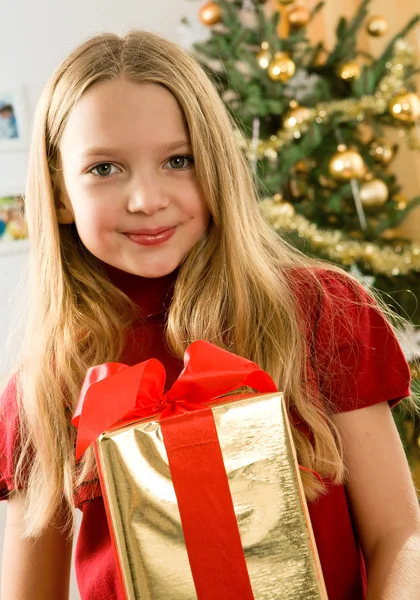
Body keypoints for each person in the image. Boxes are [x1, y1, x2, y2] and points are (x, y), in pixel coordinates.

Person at [0, 30, 419, 600]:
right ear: (60, 191)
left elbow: (399, 535)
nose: (146, 198)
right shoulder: (43, 384)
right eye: (104, 169)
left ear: (217, 165)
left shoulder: (321, 312)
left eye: (179, 160)